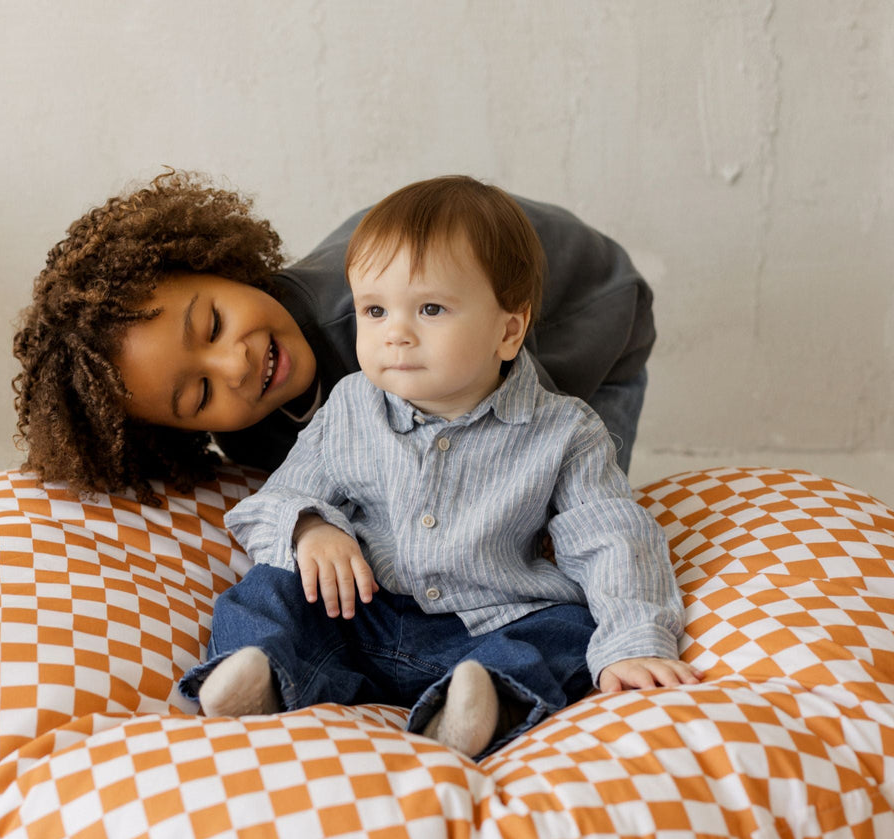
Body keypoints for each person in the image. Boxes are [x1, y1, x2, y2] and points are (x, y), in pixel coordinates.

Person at [178, 176, 700, 759]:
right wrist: (310, 527)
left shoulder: (567, 431)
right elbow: (276, 500)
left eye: (430, 308)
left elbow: (610, 534)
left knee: (568, 629)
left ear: (508, 331)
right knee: (267, 587)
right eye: (374, 310)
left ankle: (476, 703)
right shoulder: (348, 407)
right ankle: (264, 674)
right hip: (361, 612)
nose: (395, 333)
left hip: (490, 623)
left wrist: (633, 639)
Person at [13, 171, 655, 506]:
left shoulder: (374, 327)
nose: (233, 365)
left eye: (211, 325)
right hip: (469, 325)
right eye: (199, 393)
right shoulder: (251, 427)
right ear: (182, 433)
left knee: (567, 500)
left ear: (223, 265)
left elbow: (521, 425)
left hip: (582, 306)